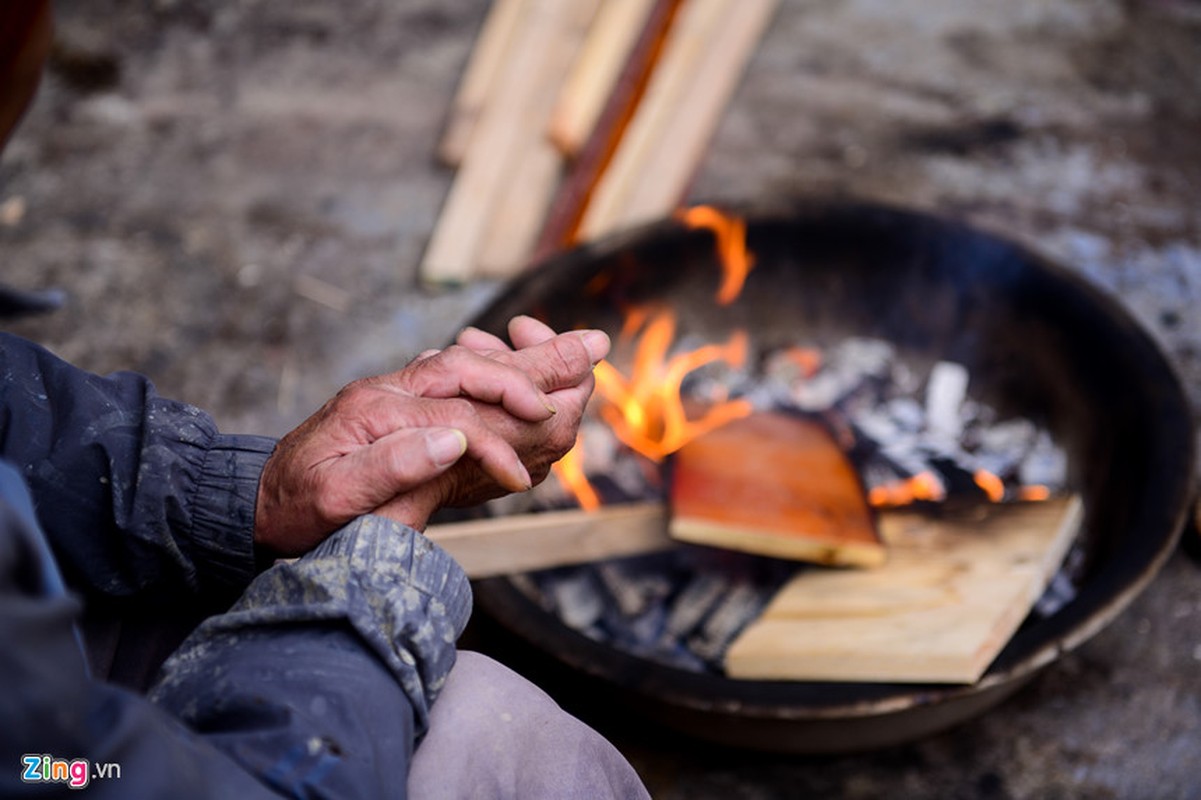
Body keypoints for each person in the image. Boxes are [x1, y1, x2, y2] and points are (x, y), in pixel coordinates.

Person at [0, 3, 651, 798]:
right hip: (51, 765)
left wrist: (252, 494)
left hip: (40, 709)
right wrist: (365, 579)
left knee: (499, 723)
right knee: (503, 748)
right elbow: (72, 775)